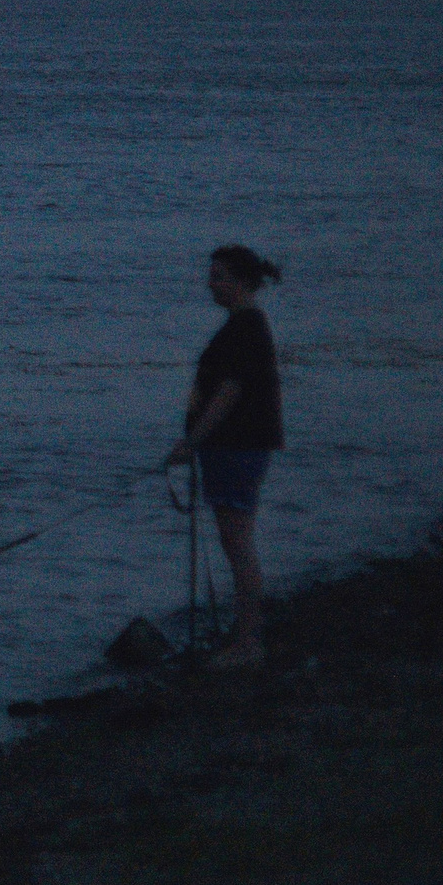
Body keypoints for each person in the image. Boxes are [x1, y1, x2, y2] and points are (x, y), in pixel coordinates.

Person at [166, 245, 284, 669]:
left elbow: (229, 392)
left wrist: (193, 440)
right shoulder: (244, 326)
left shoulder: (245, 328)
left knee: (238, 546)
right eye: (211, 274)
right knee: (238, 545)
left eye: (218, 276)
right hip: (234, 448)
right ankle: (246, 637)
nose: (210, 283)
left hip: (236, 447)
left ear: (240, 281)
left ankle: (249, 643)